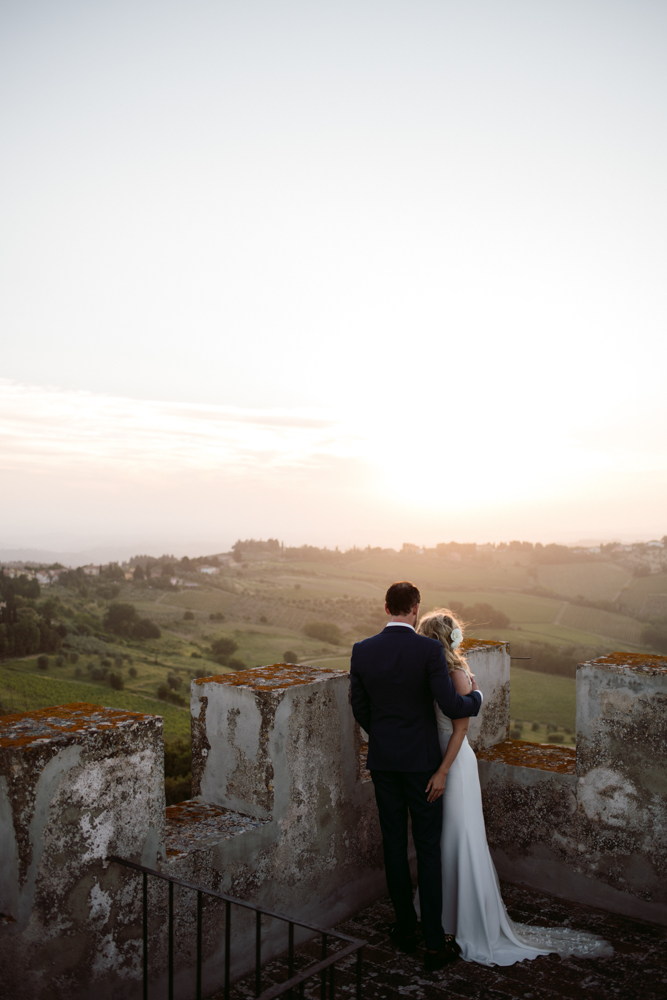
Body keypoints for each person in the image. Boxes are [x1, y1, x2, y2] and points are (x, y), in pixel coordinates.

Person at [415, 608, 613, 965]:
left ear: (433, 640)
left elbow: (460, 730)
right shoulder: (431, 672)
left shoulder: (457, 675)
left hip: (454, 764)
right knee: (443, 838)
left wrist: (443, 770)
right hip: (437, 758)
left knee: (459, 836)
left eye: (423, 636)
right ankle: (442, 913)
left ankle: (466, 919)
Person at [350, 581, 483, 971]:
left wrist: (388, 739)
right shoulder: (427, 650)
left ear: (386, 607)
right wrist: (476, 697)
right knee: (427, 847)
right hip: (423, 765)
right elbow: (449, 703)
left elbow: (360, 707)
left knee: (393, 844)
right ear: (415, 608)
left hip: (384, 762)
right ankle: (433, 943)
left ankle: (405, 928)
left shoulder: (362, 650)